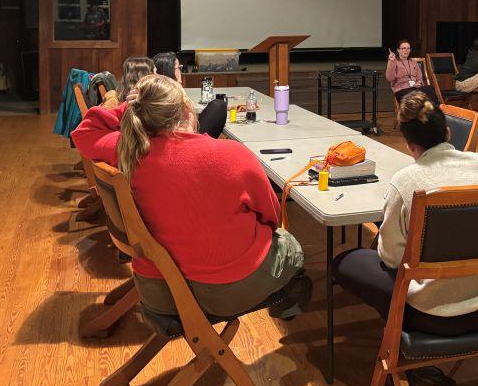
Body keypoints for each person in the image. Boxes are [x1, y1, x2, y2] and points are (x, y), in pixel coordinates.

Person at [71, 74, 311, 320]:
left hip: (160, 297)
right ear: (188, 110)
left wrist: (126, 108)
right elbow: (272, 216)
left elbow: (83, 132)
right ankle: (285, 303)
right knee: (289, 245)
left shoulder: (129, 151)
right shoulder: (232, 156)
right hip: (226, 295)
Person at [332, 91, 478, 336]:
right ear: (449, 133)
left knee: (346, 262)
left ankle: (398, 344)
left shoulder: (406, 181)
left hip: (435, 316)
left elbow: (391, 258)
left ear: (410, 146)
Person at [153, 50, 226, 139]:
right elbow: (187, 126)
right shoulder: (174, 93)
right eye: (179, 67)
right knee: (219, 106)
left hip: (172, 138)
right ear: (171, 70)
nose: (180, 70)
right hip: (183, 139)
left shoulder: (152, 91)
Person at [385, 40, 439, 105]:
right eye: (403, 48)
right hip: (402, 90)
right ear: (398, 50)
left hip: (415, 88)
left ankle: (435, 110)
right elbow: (389, 78)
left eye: (408, 48)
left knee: (430, 88)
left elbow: (419, 78)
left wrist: (419, 83)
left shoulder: (413, 62)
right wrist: (391, 61)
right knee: (415, 95)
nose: (406, 50)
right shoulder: (394, 62)